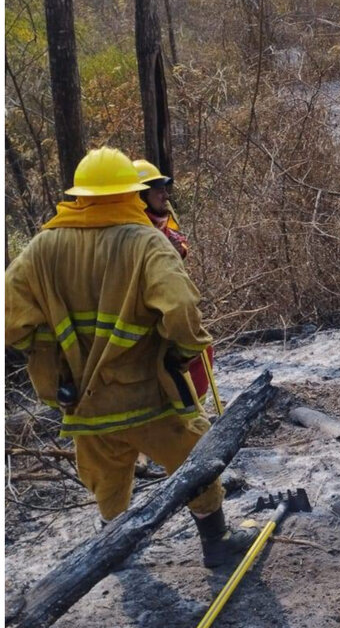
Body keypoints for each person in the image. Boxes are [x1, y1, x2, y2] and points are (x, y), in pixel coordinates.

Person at [5, 147, 255, 567]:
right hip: (149, 400)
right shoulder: (145, 243)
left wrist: (50, 354)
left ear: (80, 195)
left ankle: (115, 555)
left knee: (108, 481)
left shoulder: (42, 248)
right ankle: (217, 543)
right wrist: (186, 351)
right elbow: (180, 311)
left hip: (83, 403)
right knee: (198, 462)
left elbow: (11, 322)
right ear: (130, 194)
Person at [133, 159, 213, 402]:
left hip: (164, 306)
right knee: (191, 352)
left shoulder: (160, 221)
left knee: (202, 352)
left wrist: (178, 249)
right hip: (146, 315)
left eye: (164, 188)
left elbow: (177, 239)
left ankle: (192, 409)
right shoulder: (134, 228)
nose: (165, 195)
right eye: (158, 189)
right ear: (140, 195)